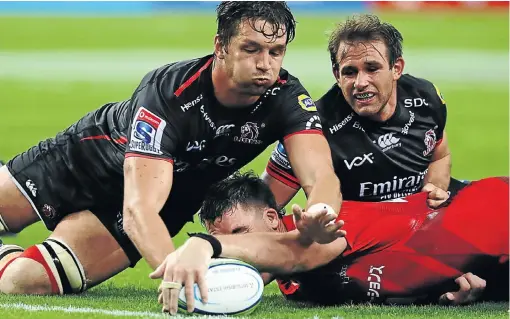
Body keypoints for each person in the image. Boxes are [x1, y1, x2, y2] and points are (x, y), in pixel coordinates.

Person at [0, 2, 342, 307]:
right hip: (84, 161)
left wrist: (321, 211)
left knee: (25, 282)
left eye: (275, 51)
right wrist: (172, 270)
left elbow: (320, 174)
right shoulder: (170, 93)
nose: (265, 64)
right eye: (251, 49)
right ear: (221, 47)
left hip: (168, 201)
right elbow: (139, 208)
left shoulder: (287, 98)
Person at [150, 171, 508, 313]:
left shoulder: (325, 225)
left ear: (273, 220)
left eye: (241, 234)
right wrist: (441, 290)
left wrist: (205, 245)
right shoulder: (295, 287)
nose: (239, 249)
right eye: (222, 239)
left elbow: (292, 252)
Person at [263, 15, 458, 233]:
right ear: (337, 75)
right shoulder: (312, 126)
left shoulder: (426, 98)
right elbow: (265, 207)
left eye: (372, 68)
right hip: (357, 237)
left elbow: (440, 155)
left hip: (418, 227)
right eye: (350, 72)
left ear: (396, 68)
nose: (360, 83)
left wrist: (436, 187)